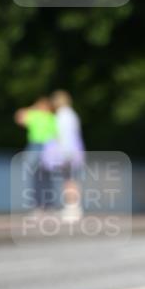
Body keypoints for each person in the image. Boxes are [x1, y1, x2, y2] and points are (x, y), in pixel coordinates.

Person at [14, 96, 58, 212]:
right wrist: (34, 108)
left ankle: (46, 205)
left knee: (44, 177)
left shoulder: (47, 117)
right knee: (39, 177)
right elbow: (19, 117)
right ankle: (41, 205)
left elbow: (19, 116)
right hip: (39, 146)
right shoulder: (40, 116)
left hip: (46, 147)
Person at [49, 90, 86, 221]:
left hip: (68, 152)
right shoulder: (71, 114)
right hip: (74, 151)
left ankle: (72, 209)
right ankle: (73, 208)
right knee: (72, 180)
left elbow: (64, 136)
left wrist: (64, 154)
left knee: (69, 181)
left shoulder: (63, 115)